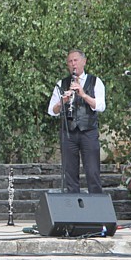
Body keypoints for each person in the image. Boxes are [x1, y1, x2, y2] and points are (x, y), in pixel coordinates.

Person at [47, 49, 106, 193]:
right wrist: (63, 101)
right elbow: (51, 111)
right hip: (69, 133)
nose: (73, 64)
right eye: (70, 61)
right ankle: (74, 209)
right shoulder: (62, 83)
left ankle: (96, 209)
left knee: (92, 172)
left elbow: (101, 106)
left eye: (76, 60)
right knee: (70, 174)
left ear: (84, 62)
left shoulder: (95, 81)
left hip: (88, 132)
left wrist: (83, 95)